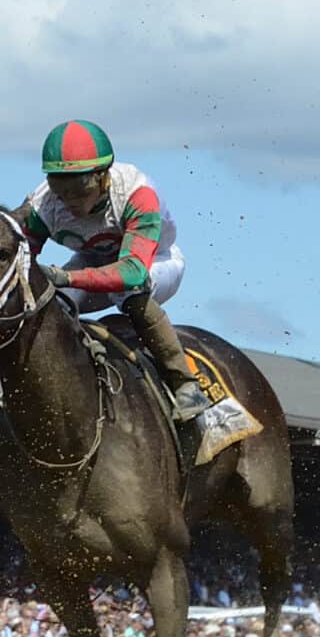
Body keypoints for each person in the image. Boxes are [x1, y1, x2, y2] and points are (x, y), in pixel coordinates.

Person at [20, 120, 204, 421]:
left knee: (127, 291)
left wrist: (66, 276)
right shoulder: (43, 204)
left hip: (155, 262)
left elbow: (132, 271)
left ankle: (185, 383)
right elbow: (21, 259)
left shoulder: (137, 193)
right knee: (48, 302)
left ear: (103, 176)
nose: (70, 202)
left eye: (80, 189)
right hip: (92, 262)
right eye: (61, 189)